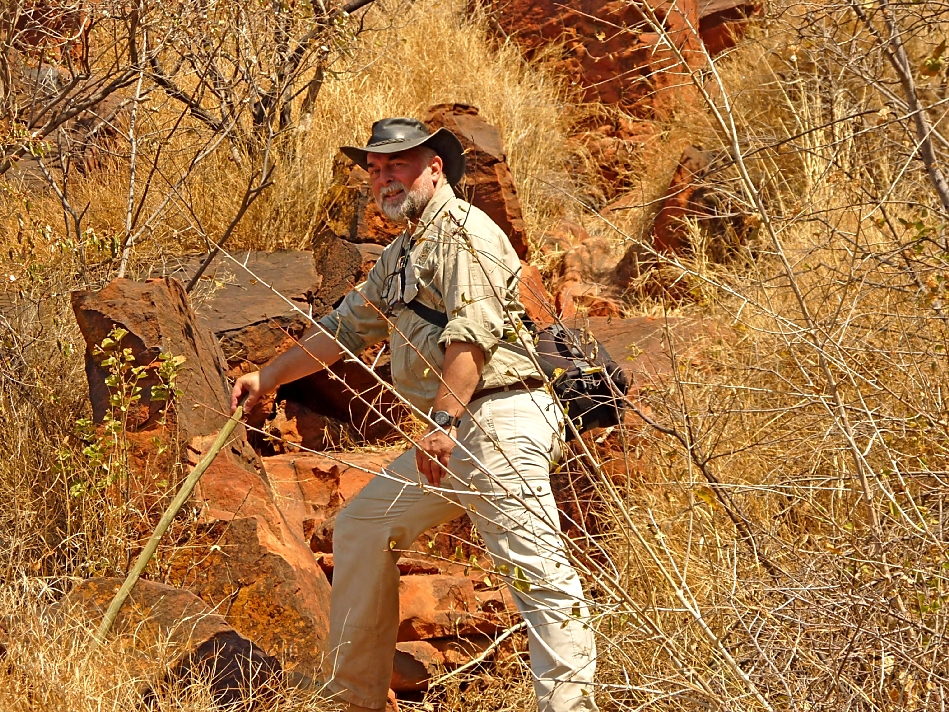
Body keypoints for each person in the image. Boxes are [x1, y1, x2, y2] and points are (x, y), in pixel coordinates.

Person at [230, 117, 598, 712]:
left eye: (396, 164)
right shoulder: (403, 253)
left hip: (499, 418)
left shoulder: (464, 233)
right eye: (375, 169)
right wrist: (268, 376)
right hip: (455, 429)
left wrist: (443, 423)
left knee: (539, 576)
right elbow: (345, 328)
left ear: (435, 167)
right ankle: (354, 702)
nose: (383, 178)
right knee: (362, 527)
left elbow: (472, 335)